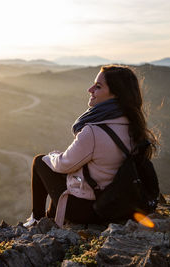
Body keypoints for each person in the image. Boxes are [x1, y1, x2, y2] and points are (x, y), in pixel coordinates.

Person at [23, 65, 158, 227]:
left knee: (40, 162)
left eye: (98, 86)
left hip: (90, 210)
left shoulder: (93, 131)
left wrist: (52, 156)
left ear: (115, 94)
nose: (90, 89)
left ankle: (36, 220)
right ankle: (48, 217)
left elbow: (63, 165)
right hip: (119, 204)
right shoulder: (134, 126)